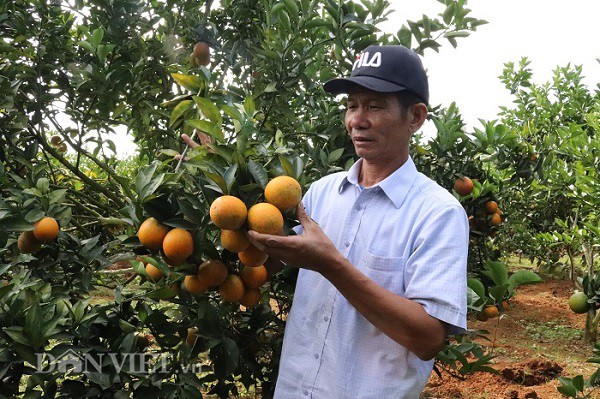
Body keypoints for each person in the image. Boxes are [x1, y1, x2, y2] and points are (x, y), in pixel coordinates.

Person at [246, 45, 469, 398]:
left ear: (415, 117)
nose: (356, 120)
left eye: (374, 106)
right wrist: (231, 197)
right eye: (352, 105)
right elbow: (269, 262)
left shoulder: (437, 213)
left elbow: (427, 339)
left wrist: (331, 265)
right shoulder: (321, 193)